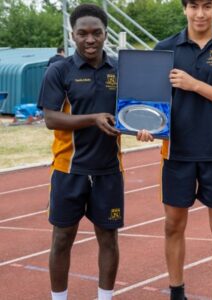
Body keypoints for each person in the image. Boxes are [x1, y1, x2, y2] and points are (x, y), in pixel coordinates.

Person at [137, 1, 212, 299]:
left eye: (207, 6)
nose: (200, 13)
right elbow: (151, 102)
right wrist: (144, 126)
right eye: (193, 6)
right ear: (184, 9)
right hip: (176, 154)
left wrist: (195, 85)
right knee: (172, 226)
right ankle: (176, 292)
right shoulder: (164, 49)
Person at [38, 4, 122, 300]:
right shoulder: (59, 70)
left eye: (96, 32)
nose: (90, 39)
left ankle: (105, 297)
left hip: (109, 170)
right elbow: (51, 119)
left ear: (105, 34)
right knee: (62, 239)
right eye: (83, 33)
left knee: (109, 239)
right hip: (68, 171)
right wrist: (93, 119)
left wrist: (145, 126)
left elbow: (133, 111)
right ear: (72, 35)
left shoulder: (119, 69)